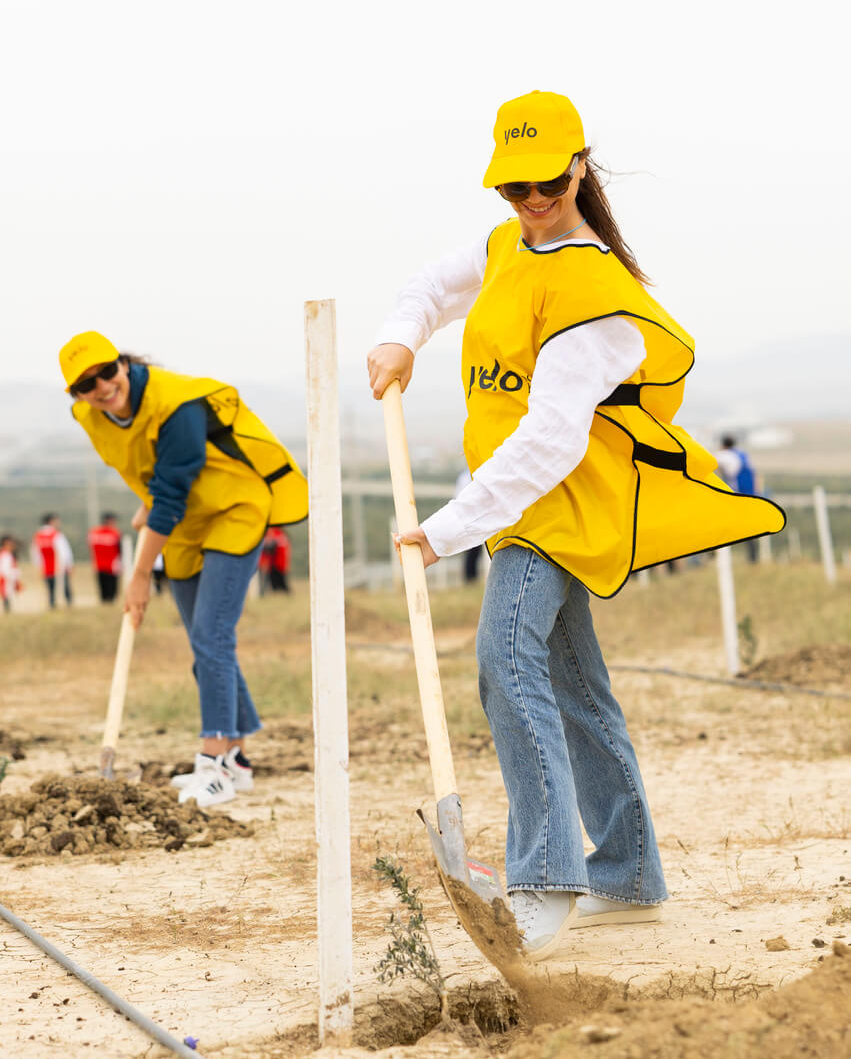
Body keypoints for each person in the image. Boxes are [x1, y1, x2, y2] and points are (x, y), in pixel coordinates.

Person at [367, 90, 785, 960]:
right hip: (520, 503)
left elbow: (551, 438)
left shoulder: (594, 289)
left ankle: (545, 882)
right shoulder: (507, 246)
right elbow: (436, 283)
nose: (529, 201)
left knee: (502, 659)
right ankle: (627, 875)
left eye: (545, 185)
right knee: (574, 686)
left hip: (554, 505)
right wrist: (402, 335)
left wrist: (443, 528)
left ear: (578, 167)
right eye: (512, 188)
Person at [58, 331, 308, 807]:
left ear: (122, 363)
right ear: (76, 395)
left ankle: (212, 764)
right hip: (187, 521)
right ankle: (237, 759)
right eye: (86, 384)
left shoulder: (179, 404)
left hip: (233, 509)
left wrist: (138, 578)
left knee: (213, 636)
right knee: (202, 637)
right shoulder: (91, 417)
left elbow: (172, 489)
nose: (102, 387)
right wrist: (146, 504)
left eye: (107, 371)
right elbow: (147, 470)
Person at [717, 435, 760, 561]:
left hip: (736, 494)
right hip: (750, 494)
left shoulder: (725, 456)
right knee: (749, 528)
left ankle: (714, 555)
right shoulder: (742, 455)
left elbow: (710, 464)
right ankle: (753, 558)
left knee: (722, 523)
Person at [31, 513, 74, 608]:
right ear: (51, 521)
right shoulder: (56, 534)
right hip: (58, 565)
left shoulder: (38, 535)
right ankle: (68, 603)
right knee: (64, 585)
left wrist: (38, 566)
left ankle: (52, 604)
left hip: (46, 566)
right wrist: (69, 564)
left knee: (50, 587)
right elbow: (65, 552)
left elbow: (35, 553)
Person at [88, 511, 122, 602]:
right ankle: (109, 603)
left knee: (102, 588)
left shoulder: (94, 532)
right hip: (112, 565)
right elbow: (119, 550)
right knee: (111, 589)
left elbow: (91, 548)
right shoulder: (115, 533)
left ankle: (104, 602)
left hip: (99, 564)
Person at [258, 525, 291, 594]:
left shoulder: (277, 534)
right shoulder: (279, 534)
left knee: (279, 583)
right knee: (271, 582)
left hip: (276, 564)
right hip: (271, 564)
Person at [0, 535, 22, 613]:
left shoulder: (7, 554)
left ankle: (8, 610)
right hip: (6, 578)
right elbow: (5, 569)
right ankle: (7, 610)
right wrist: (12, 575)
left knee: (7, 594)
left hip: (7, 578)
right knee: (6, 594)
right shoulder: (5, 554)